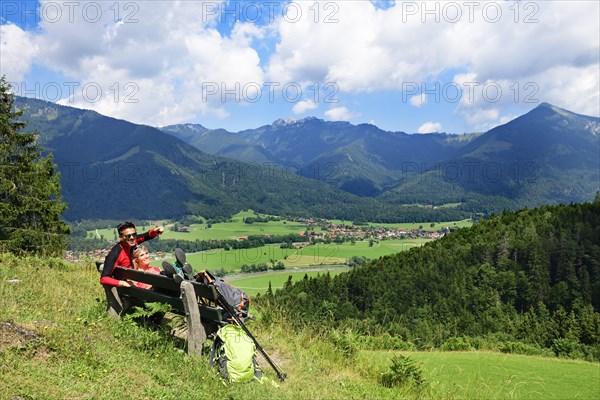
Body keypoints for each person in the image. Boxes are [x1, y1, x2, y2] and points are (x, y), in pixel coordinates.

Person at [100, 221, 164, 288]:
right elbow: (103, 279)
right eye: (128, 236)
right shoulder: (115, 254)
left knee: (163, 275)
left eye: (134, 234)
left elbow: (145, 236)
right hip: (130, 290)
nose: (132, 238)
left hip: (135, 286)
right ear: (121, 237)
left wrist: (155, 231)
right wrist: (123, 283)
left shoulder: (131, 242)